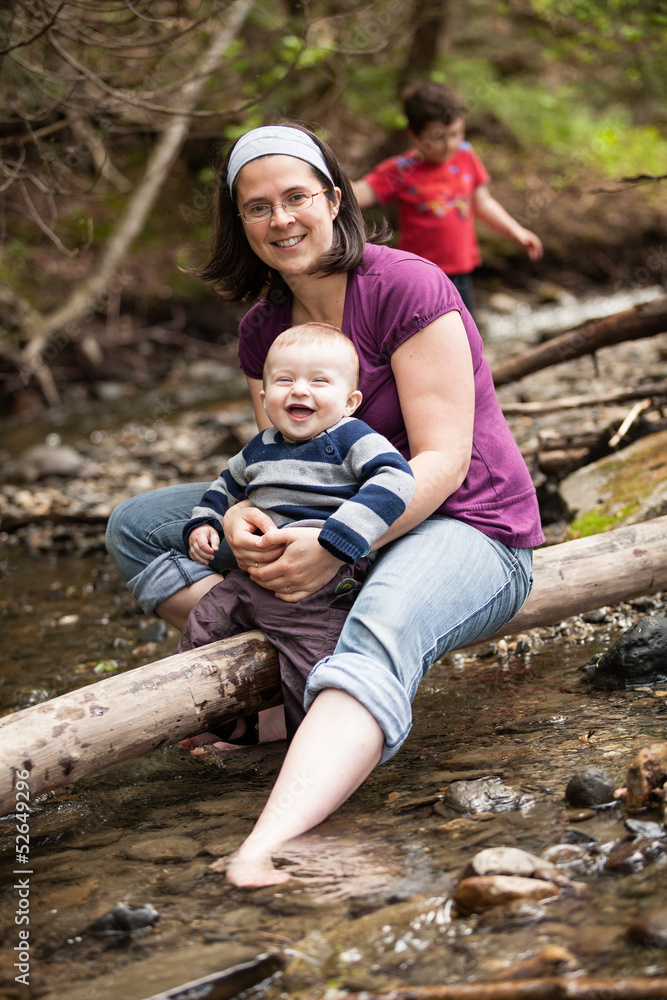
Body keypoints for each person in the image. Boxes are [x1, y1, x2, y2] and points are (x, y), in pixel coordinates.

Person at [106, 121, 544, 888]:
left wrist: (336, 547)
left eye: (296, 197)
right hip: (335, 527)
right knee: (140, 527)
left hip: (467, 523)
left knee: (380, 626)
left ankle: (270, 843)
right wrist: (241, 519)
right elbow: (277, 460)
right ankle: (293, 676)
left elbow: (442, 462)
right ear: (240, 222)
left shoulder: (406, 286)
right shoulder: (262, 328)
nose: (280, 219)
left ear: (334, 199)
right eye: (257, 206)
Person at [178, 321, 415, 745]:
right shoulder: (260, 447)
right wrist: (204, 522)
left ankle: (307, 750)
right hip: (251, 580)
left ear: (350, 401)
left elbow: (396, 479)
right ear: (265, 398)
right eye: (285, 380)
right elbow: (225, 485)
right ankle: (229, 726)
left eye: (319, 381)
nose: (300, 390)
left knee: (309, 671)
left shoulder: (352, 437)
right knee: (204, 626)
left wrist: (339, 537)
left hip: (320, 585)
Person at [352, 81, 543, 315]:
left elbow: (484, 203)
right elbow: (359, 193)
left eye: (456, 133)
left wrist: (516, 232)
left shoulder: (465, 155)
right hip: (419, 276)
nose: (450, 144)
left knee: (465, 327)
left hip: (460, 271)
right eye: (439, 137)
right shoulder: (401, 170)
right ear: (414, 135)